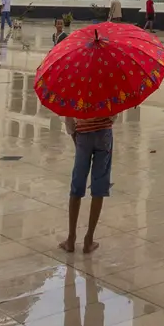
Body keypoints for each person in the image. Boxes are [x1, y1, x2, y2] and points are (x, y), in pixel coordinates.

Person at [59, 107, 114, 254]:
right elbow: (113, 115)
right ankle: (89, 239)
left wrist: (74, 135)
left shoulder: (75, 86)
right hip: (104, 135)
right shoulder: (107, 85)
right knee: (99, 184)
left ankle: (71, 239)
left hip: (83, 134)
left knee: (77, 182)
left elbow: (69, 119)